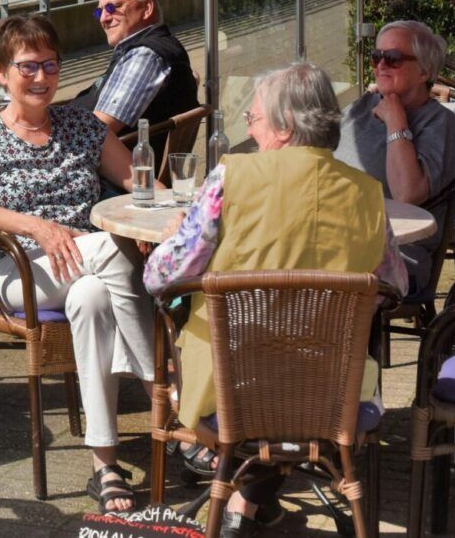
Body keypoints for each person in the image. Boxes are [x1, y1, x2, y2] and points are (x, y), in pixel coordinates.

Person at [145, 63, 407, 538]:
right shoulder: (368, 195)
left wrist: (171, 240)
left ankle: (239, 498)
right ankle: (250, 502)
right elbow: (396, 286)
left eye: (255, 118)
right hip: (334, 398)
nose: (249, 127)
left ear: (285, 126)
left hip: (229, 393)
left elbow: (161, 277)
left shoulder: (231, 178)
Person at [0, 13, 154, 513]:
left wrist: (173, 216)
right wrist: (35, 225)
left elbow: (138, 186)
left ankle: (104, 465)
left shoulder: (83, 125)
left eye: (50, 65)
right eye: (28, 67)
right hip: (18, 271)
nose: (41, 78)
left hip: (86, 269)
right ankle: (166, 392)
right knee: (114, 250)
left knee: (95, 298)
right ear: (1, 71)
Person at [335, 20, 455, 300]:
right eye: (377, 57)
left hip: (396, 258)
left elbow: (407, 193)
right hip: (339, 240)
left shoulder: (440, 124)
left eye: (392, 58)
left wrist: (396, 120)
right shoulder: (362, 108)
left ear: (425, 71)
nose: (380, 66)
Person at [75, 0, 199, 151]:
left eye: (112, 7)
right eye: (100, 11)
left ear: (146, 8)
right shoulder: (143, 49)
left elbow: (96, 131)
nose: (103, 19)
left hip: (105, 170)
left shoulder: (147, 56)